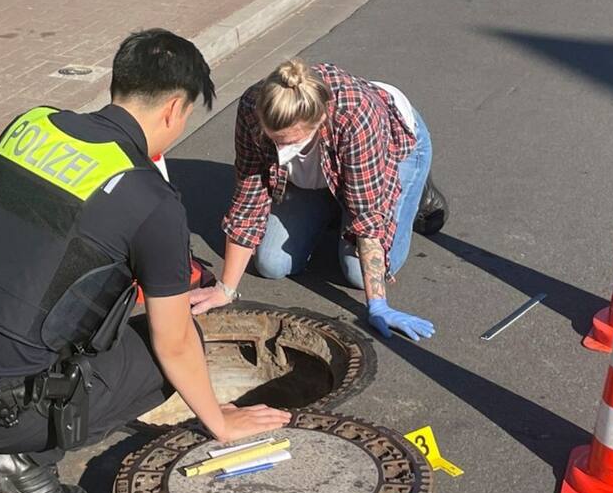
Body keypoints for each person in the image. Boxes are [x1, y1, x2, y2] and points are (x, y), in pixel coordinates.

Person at [0, 30, 291, 493]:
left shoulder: (30, 126)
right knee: (176, 342)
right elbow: (172, 342)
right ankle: (18, 457)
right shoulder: (152, 200)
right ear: (175, 108)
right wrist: (220, 420)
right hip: (7, 409)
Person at [189, 60, 446, 343]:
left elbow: (369, 217)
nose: (280, 150)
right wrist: (225, 289)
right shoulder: (253, 105)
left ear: (320, 121)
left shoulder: (357, 115)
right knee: (273, 264)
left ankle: (414, 189)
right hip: (319, 165)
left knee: (357, 275)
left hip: (390, 146)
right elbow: (250, 196)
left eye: (291, 142)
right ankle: (335, 196)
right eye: (274, 140)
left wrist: (378, 305)